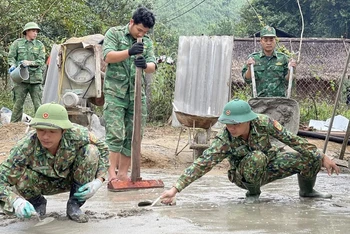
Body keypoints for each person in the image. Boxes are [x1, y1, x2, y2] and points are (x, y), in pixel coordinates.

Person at [161, 99, 339, 204]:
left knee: (311, 156)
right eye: (228, 123)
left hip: (269, 164)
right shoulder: (225, 139)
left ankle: (307, 191)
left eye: (236, 124)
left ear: (248, 120)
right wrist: (175, 189)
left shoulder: (263, 122)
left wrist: (322, 156)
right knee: (256, 157)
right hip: (244, 175)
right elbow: (202, 163)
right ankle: (253, 194)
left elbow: (293, 140)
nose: (231, 128)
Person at [0, 103, 109, 223]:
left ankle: (74, 204)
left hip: (72, 180)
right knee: (20, 177)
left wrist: (99, 180)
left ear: (63, 131)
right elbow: (1, 179)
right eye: (41, 130)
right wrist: (15, 201)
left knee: (91, 151)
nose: (45, 136)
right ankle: (37, 203)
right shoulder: (25, 147)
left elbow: (103, 149)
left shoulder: (77, 134)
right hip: (40, 183)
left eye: (52, 131)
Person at [102, 7, 157, 183]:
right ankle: (111, 175)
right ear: (131, 22)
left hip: (136, 95)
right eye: (139, 29)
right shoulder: (114, 33)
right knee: (115, 134)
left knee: (134, 135)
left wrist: (144, 64)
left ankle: (123, 174)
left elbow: (153, 65)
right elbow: (108, 56)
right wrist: (129, 52)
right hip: (115, 93)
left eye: (145, 31)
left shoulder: (146, 42)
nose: (141, 33)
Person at [242, 25, 297, 97]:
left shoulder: (283, 58)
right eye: (265, 40)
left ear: (275, 41)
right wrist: (249, 67)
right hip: (259, 101)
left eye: (271, 40)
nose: (268, 43)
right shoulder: (253, 58)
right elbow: (247, 80)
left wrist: (291, 69)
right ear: (261, 41)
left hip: (278, 101)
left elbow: (288, 81)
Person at [8, 22, 46, 122]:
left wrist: (29, 63)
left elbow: (41, 61)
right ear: (27, 32)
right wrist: (12, 65)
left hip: (35, 80)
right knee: (18, 105)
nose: (35, 33)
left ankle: (40, 125)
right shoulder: (17, 43)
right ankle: (13, 127)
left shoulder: (40, 45)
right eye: (33, 31)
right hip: (20, 80)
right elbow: (11, 57)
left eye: (37, 31)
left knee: (38, 105)